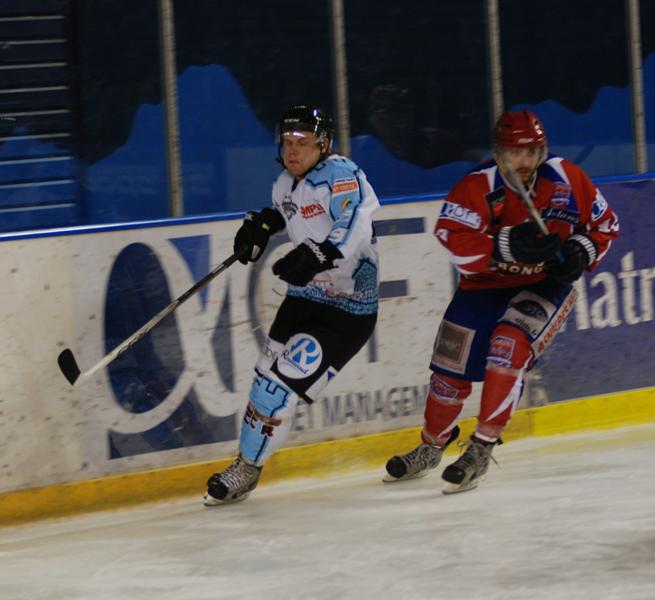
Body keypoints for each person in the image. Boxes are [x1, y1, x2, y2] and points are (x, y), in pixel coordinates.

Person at [384, 109, 619, 494]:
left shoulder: (567, 178)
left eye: (532, 152)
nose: (524, 160)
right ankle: (431, 445)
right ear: (498, 153)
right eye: (515, 152)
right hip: (483, 287)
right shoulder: (478, 186)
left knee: (507, 347)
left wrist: (582, 249)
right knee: (448, 375)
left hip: (544, 286)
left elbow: (606, 225)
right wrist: (502, 246)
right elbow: (451, 238)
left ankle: (481, 448)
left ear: (542, 151)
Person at [204, 105, 380, 505]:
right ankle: (247, 465)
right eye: (286, 142)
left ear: (324, 145)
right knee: (262, 381)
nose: (292, 150)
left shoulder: (342, 174)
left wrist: (322, 253)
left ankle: (247, 468)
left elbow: (355, 220)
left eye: (302, 142)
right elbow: (292, 212)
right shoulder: (284, 183)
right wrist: (264, 224)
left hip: (346, 311)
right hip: (302, 300)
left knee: (276, 388)